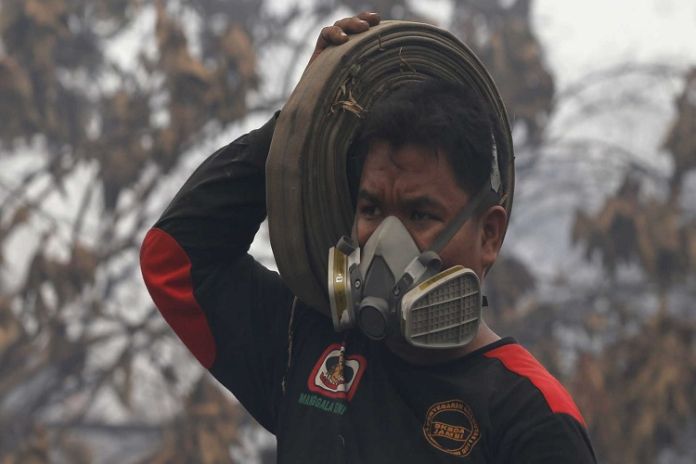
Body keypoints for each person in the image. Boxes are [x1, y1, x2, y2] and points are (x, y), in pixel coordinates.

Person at [140, 12, 596, 463]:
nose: (385, 239)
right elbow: (176, 255)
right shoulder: (305, 342)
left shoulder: (532, 417)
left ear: (489, 235)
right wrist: (298, 122)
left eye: (420, 214)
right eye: (372, 209)